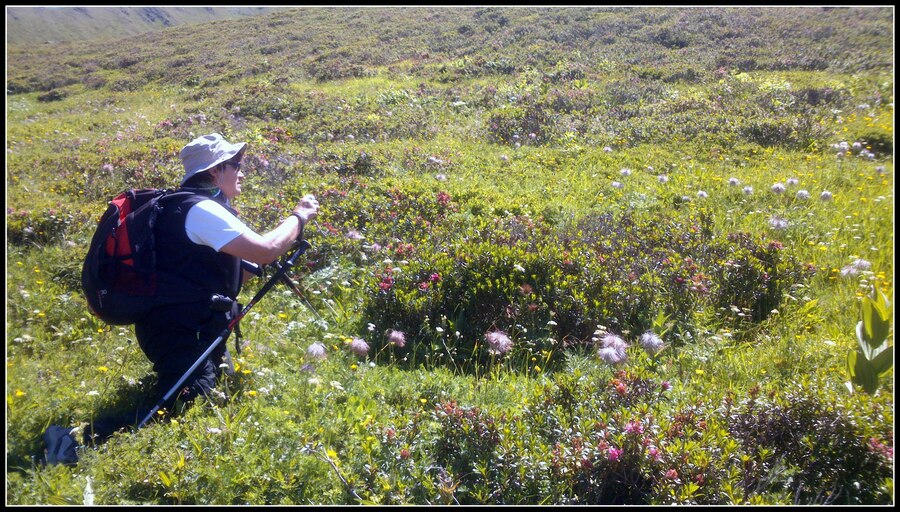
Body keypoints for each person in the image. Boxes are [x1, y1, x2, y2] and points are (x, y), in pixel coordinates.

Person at [45, 133, 319, 462]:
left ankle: (167, 390)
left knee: (217, 390)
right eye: (236, 165)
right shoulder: (200, 210)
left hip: (186, 326)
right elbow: (266, 250)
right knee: (186, 404)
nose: (242, 172)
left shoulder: (189, 207)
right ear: (216, 171)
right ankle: (75, 443)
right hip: (178, 329)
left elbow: (211, 272)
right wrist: (299, 217)